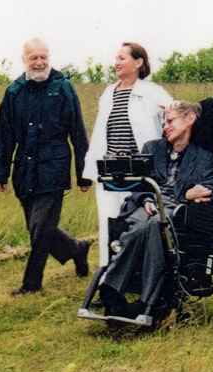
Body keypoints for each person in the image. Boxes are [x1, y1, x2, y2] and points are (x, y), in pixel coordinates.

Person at [98, 101, 213, 320]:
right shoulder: (151, 148)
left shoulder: (204, 157)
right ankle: (149, 300)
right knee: (149, 222)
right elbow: (137, 182)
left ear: (189, 120)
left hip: (178, 209)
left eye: (170, 120)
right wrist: (146, 198)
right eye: (163, 122)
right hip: (147, 205)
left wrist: (188, 194)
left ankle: (114, 287)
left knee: (156, 224)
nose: (165, 126)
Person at [0, 38, 90, 295]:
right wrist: (0, 173)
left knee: (41, 227)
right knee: (37, 226)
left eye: (43, 57)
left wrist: (84, 174)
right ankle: (78, 249)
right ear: (24, 59)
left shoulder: (63, 87)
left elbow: (77, 132)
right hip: (24, 169)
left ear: (49, 57)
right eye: (33, 57)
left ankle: (31, 284)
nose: (39, 62)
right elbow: (3, 134)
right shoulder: (14, 92)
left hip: (54, 166)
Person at [82, 42, 172, 268]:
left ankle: (139, 274)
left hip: (141, 172)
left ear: (138, 63)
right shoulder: (108, 93)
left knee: (138, 221)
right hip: (110, 170)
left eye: (122, 58)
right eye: (116, 58)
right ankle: (108, 275)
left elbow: (172, 121)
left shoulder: (153, 93)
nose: (116, 62)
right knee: (109, 223)